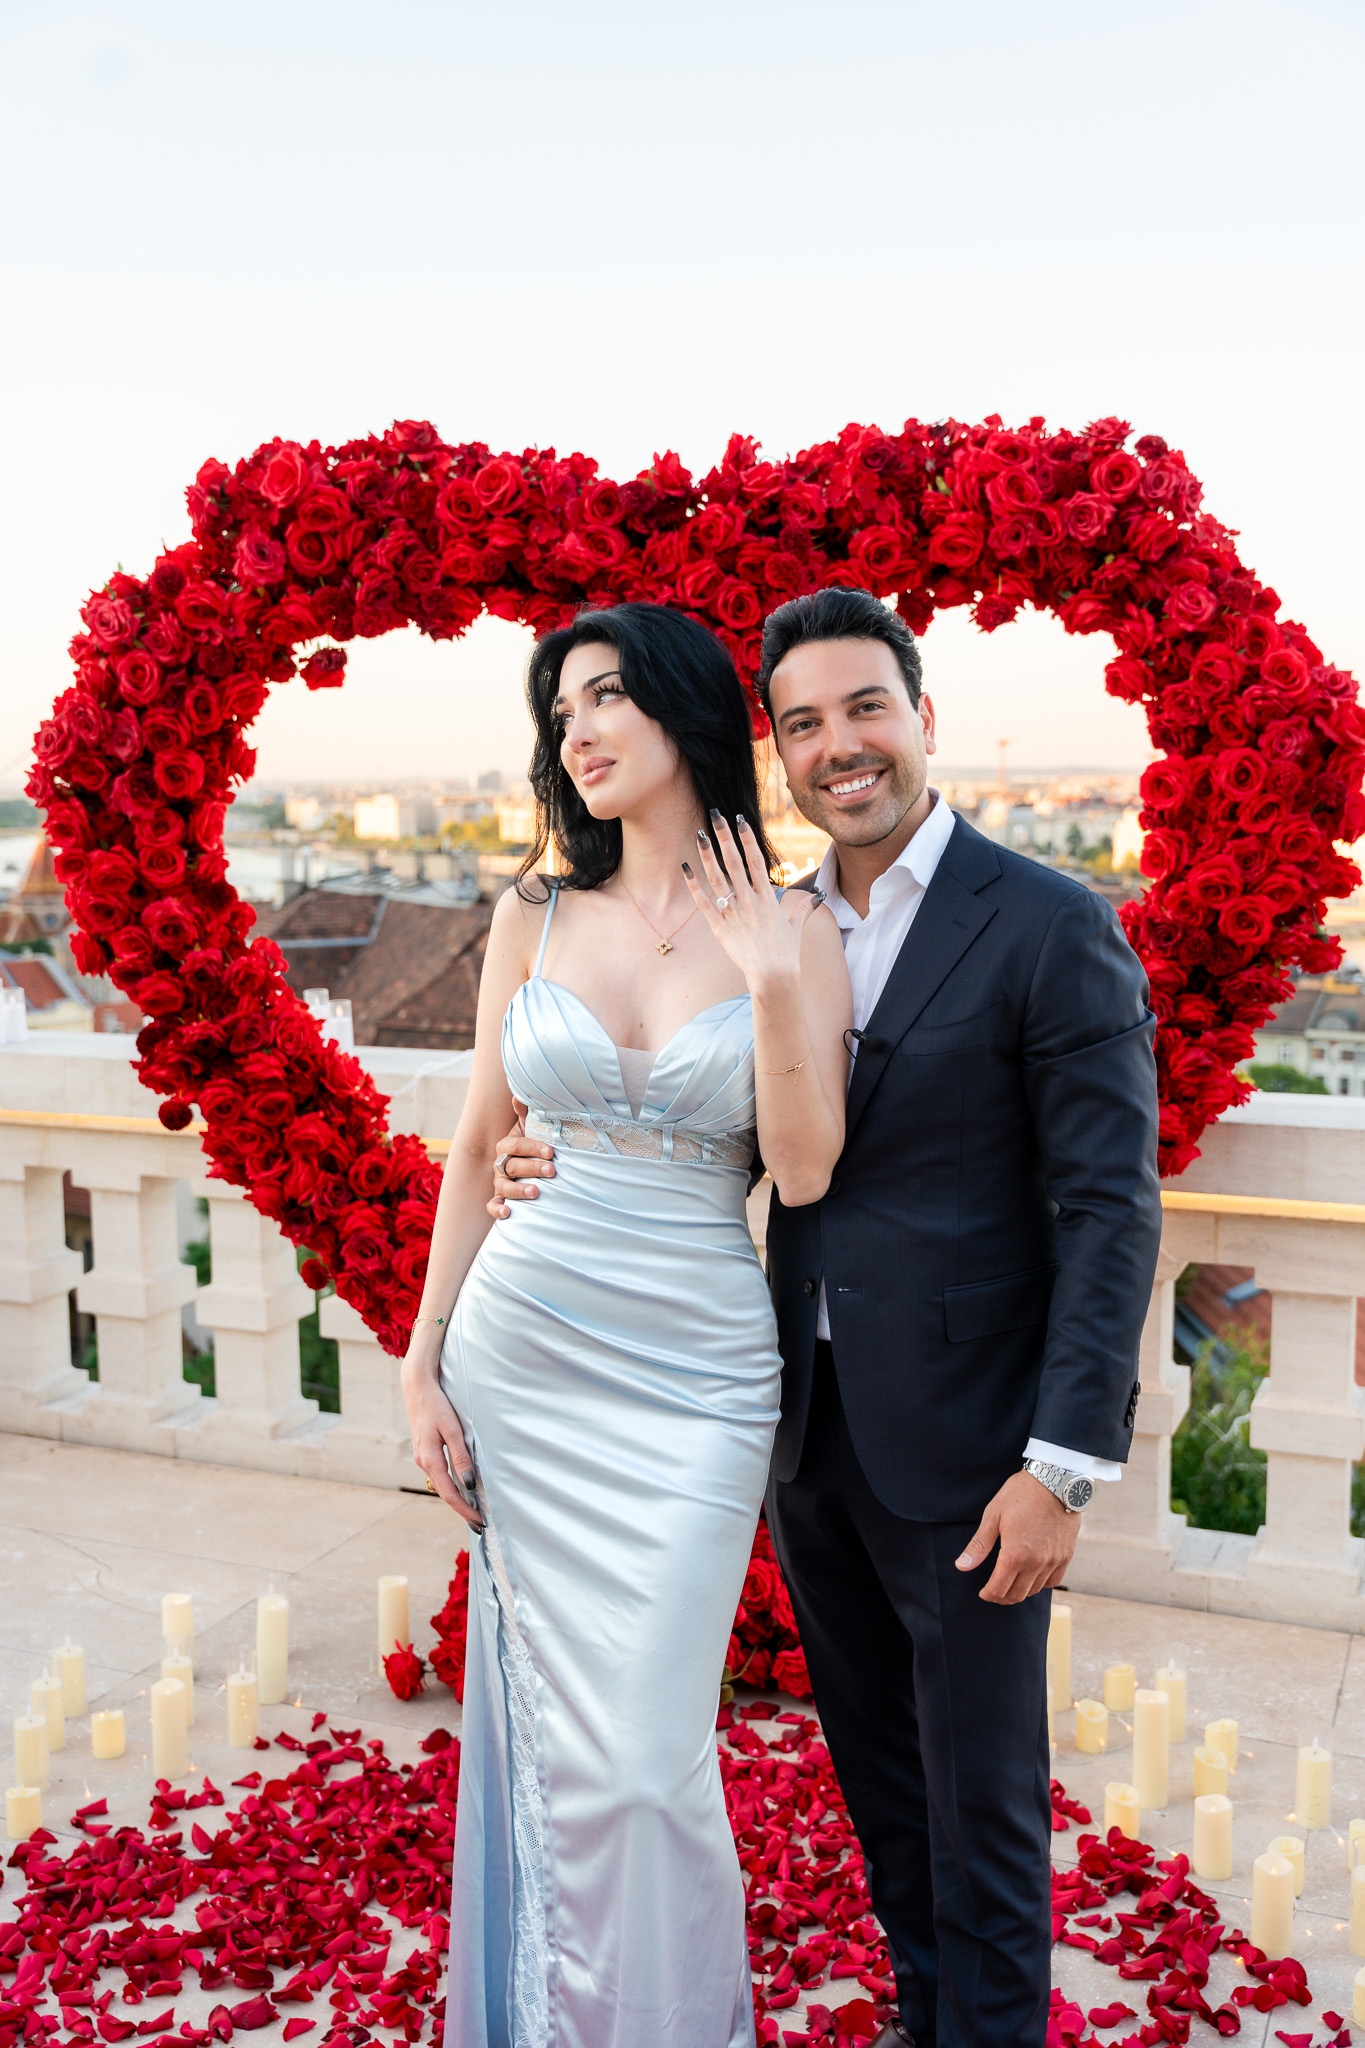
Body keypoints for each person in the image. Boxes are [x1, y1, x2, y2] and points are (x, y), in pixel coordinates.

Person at [493, 586, 1163, 2048]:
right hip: (801, 1431)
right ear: (774, 753)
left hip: (977, 1449)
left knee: (980, 1805)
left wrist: (1060, 1467)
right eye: (801, 723)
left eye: (865, 708)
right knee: (883, 1793)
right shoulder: (773, 917)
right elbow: (733, 1132)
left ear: (921, 717)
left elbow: (1108, 1211)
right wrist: (535, 1152)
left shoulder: (1049, 925)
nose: (837, 745)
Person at [401, 600, 851, 2048]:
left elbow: (800, 1170)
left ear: (678, 711)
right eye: (558, 715)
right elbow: (480, 1144)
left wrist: (774, 987)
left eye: (601, 699)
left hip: (698, 1374)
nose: (576, 733)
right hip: (525, 1353)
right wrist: (421, 1362)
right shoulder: (528, 914)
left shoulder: (796, 924)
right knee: (555, 1739)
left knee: (650, 1756)